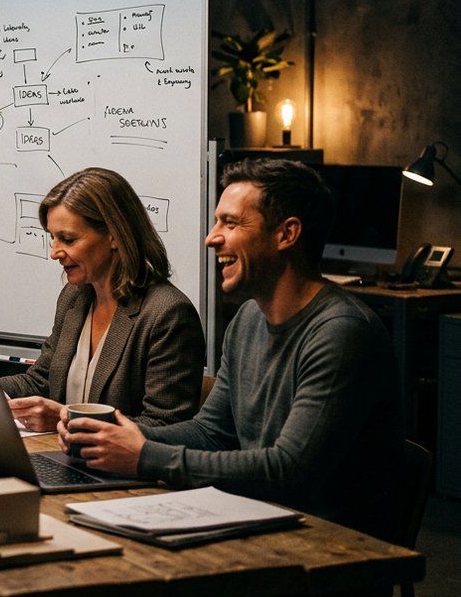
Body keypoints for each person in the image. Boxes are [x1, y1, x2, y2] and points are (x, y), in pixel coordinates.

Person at [63, 158, 404, 537]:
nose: (212, 237)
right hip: (258, 520)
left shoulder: (340, 333)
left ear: (286, 234)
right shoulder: (248, 320)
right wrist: (111, 435)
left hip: (328, 548)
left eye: (231, 223)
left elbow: (288, 471)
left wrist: (144, 456)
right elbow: (212, 432)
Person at [0, 167, 205, 433]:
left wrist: (66, 419)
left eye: (68, 239)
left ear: (114, 235)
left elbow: (167, 429)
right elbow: (39, 382)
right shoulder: (75, 297)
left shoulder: (167, 314)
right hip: (63, 457)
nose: (55, 252)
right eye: (52, 238)